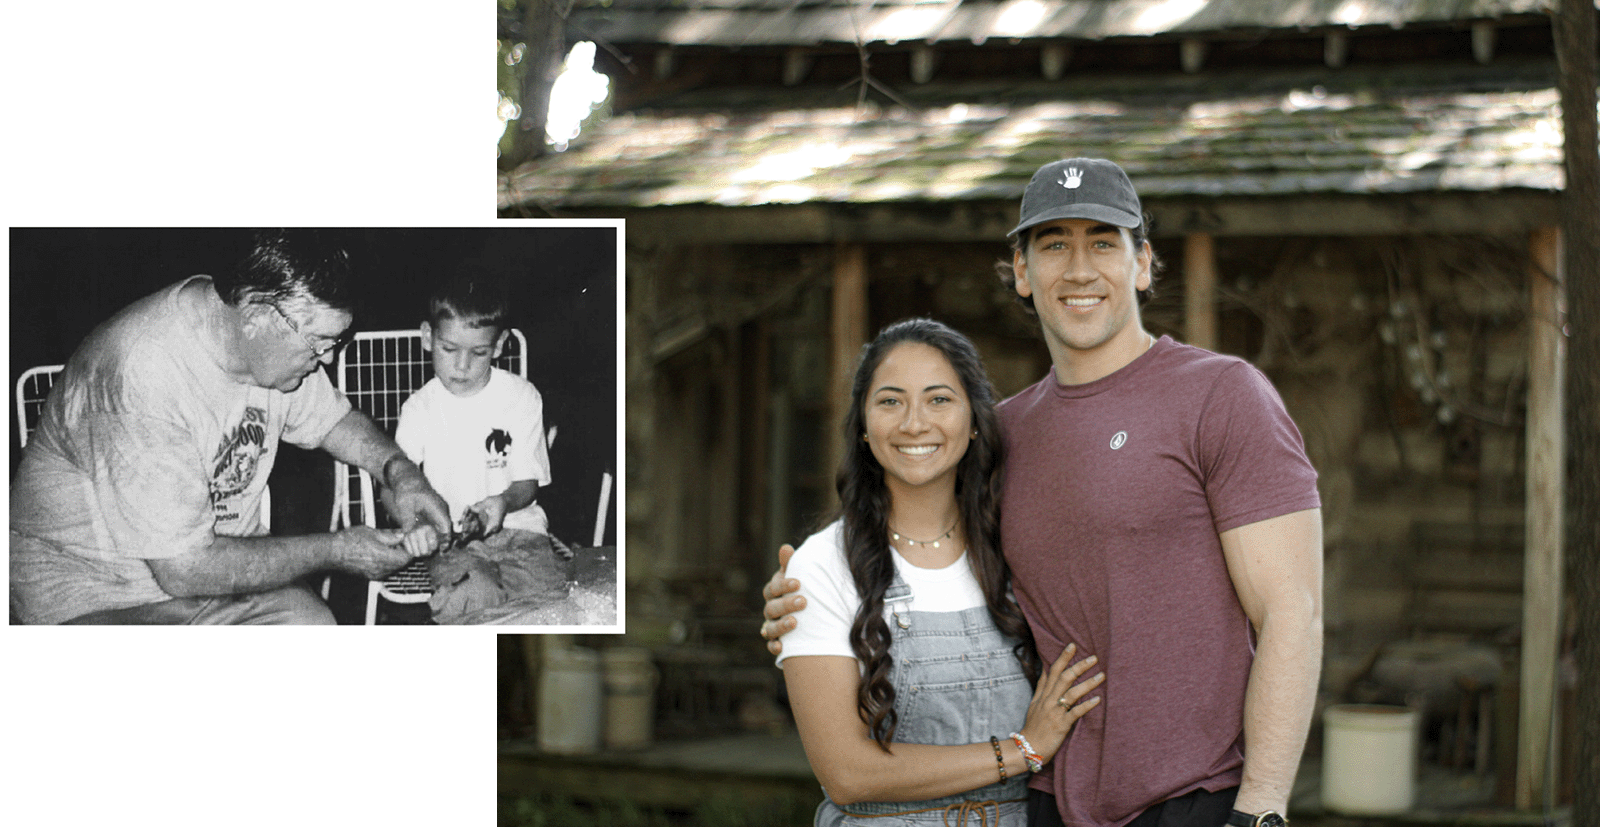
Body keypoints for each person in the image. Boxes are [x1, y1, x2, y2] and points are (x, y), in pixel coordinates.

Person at [763, 158, 1324, 827]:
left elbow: (1293, 608)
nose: (1079, 269)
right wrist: (817, 592)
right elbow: (920, 530)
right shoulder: (1006, 431)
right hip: (1050, 800)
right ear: (1024, 272)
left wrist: (1262, 806)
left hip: (1195, 797)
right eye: (1054, 243)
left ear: (1142, 263)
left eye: (1103, 242)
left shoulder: (1224, 396)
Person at [10, 229, 453, 625]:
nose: (330, 358)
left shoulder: (270, 347)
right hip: (93, 594)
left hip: (197, 580)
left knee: (311, 627)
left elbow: (334, 421)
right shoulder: (144, 372)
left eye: (336, 341)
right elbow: (184, 569)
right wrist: (338, 550)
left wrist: (402, 473)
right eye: (320, 342)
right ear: (258, 314)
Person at [779, 317, 1104, 827]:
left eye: (939, 399)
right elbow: (846, 772)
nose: (914, 423)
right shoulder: (823, 566)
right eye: (890, 401)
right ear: (863, 426)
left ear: (974, 421)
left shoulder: (1022, 551)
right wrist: (1023, 750)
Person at [393, 271, 569, 623]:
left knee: (548, 606)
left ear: (500, 344)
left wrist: (502, 503)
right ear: (428, 337)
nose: (462, 366)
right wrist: (414, 525)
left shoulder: (521, 396)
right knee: (472, 595)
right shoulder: (419, 408)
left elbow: (527, 484)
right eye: (449, 349)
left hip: (522, 531)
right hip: (453, 540)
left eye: (478, 352)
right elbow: (397, 484)